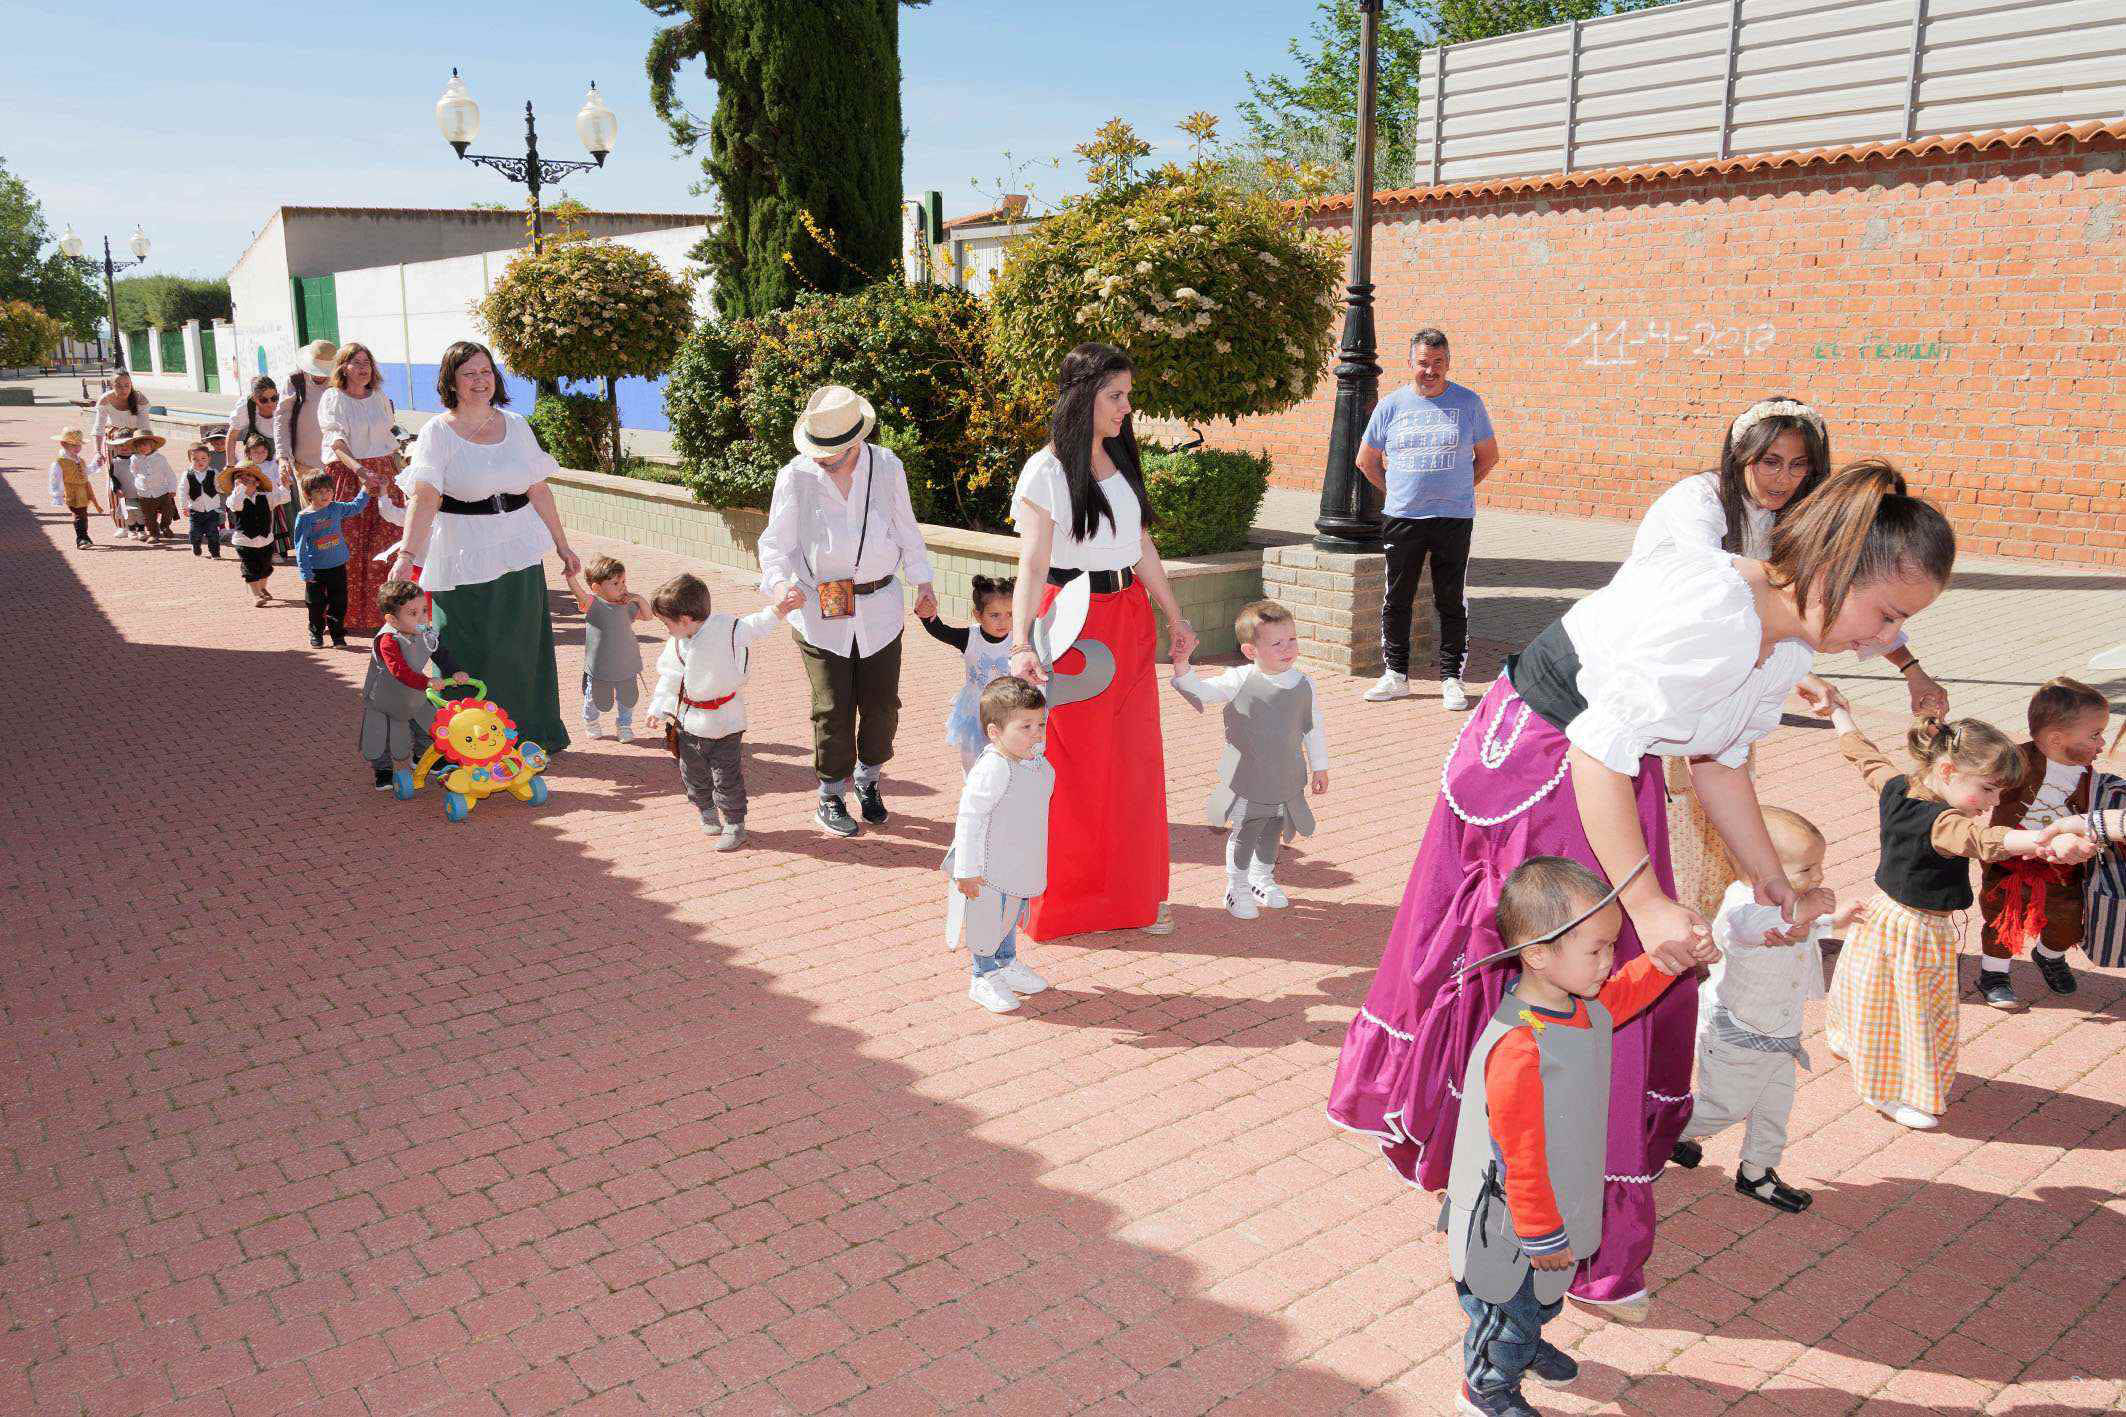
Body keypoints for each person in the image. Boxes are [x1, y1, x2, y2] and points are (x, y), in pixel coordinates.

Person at [1330, 460, 1951, 1320]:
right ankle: (1535, 1219)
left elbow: (1718, 761)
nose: (1886, 640)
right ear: (1838, 569)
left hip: (1602, 774)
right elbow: (1597, 750)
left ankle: (1547, 1210)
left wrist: (1772, 884)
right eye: (1888, 614)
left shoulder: (1783, 637)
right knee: (1575, 989)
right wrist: (1648, 901)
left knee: (1608, 993)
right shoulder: (1719, 619)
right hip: (1554, 769)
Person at [1440, 857, 1711, 1417]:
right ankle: (1486, 1388)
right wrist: (1539, 1233)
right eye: (1597, 950)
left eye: (1612, 946)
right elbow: (1517, 1156)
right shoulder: (1519, 1047)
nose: (1610, 961)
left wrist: (1670, 959)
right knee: (1501, 1307)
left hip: (1553, 1207)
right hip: (1508, 1220)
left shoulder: (1576, 1009)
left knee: (1538, 1302)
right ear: (1539, 954)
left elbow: (1624, 997)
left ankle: (1527, 1342)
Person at [1820, 692, 2097, 1129]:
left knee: (1875, 995)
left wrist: (1839, 712)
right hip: (1916, 929)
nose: (1990, 802)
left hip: (1883, 916)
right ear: (1947, 770)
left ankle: (1857, 1045)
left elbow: (1865, 758)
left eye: (1997, 792)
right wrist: (2048, 840)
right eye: (1986, 789)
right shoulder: (1945, 821)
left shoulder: (1896, 786)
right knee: (1914, 1010)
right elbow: (1987, 840)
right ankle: (1891, 1090)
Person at [1007, 344, 1198, 939]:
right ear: (1083, 396)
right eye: (1115, 396)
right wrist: (1020, 644)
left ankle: (1133, 900)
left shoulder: (1121, 458)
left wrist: (1175, 615)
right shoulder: (1045, 471)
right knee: (1078, 768)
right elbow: (1033, 565)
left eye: (1128, 396)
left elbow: (1141, 548)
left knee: (1134, 764)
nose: (1125, 408)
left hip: (1130, 620)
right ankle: (1068, 905)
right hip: (1075, 626)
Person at [757, 385, 939, 837]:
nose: (822, 460)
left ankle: (869, 779)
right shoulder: (795, 475)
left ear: (856, 441)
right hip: (819, 607)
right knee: (833, 707)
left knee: (881, 707)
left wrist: (924, 583)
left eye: (832, 453)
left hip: (879, 607)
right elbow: (775, 544)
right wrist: (779, 586)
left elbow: (906, 527)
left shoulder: (887, 467)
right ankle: (830, 795)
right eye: (817, 451)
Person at [389, 340, 579, 756]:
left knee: (522, 648)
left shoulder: (516, 424)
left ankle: (531, 735)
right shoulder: (438, 432)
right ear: (451, 382)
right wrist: (406, 556)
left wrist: (563, 547)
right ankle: (469, 742)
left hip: (518, 551)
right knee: (467, 650)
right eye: (469, 374)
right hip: (462, 553)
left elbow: (539, 489)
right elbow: (424, 498)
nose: (480, 381)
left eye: (486, 372)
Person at [1668, 807, 1861, 1212]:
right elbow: (1752, 929)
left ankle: (1757, 1172)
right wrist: (1803, 910)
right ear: (1762, 869)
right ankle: (1662, 1133)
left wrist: (1832, 921)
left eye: (1820, 866)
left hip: (1780, 1030)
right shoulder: (1742, 906)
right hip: (1739, 1032)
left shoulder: (1788, 907)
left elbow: (1800, 932)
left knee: (1773, 1107)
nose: (1819, 877)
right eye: (1807, 868)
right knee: (1727, 1106)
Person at [1357, 329, 1499, 712]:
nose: (1430, 371)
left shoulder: (1469, 403)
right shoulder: (1391, 405)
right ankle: (1396, 676)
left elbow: (1487, 456)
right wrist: (1398, 491)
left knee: (1450, 598)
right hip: (1403, 518)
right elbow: (1366, 461)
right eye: (1423, 363)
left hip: (1453, 518)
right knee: (1396, 597)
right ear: (1411, 364)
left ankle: (1452, 679)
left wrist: (1458, 488)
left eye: (1438, 363)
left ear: (1448, 363)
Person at [1171, 600, 1329, 921]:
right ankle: (1236, 887)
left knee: (1273, 828)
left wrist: (1320, 766)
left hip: (1286, 777)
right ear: (1250, 650)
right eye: (1276, 643)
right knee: (1247, 830)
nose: (1287, 649)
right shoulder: (1238, 679)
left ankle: (1261, 878)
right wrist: (1183, 664)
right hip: (1248, 778)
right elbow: (1199, 691)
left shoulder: (1304, 684)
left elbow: (1312, 728)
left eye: (1292, 640)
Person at [1975, 676, 2115, 1007]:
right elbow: (1976, 771)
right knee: (2003, 917)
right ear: (2055, 739)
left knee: (2068, 920)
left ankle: (2049, 955)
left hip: (2062, 864)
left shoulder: (2093, 777)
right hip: (2011, 859)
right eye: (2094, 735)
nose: (2102, 742)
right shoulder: (2017, 761)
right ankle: (1993, 973)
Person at [643, 573, 796, 852]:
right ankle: (706, 811)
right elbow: (669, 677)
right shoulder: (677, 643)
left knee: (727, 777)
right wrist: (657, 707)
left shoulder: (729, 628)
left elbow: (757, 624)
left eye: (666, 623)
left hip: (726, 720)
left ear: (685, 619)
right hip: (689, 723)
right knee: (693, 774)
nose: (665, 628)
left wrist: (781, 608)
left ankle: (735, 824)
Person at [947, 676, 1057, 1014]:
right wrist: (967, 870)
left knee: (1011, 914)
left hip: (1018, 858)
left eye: (1040, 724)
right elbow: (970, 817)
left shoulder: (1029, 759)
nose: (1037, 733)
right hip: (987, 869)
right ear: (995, 732)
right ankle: (983, 974)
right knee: (988, 919)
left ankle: (1006, 961)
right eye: (1025, 727)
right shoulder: (994, 767)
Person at [317, 342, 403, 633]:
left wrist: (399, 472)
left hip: (383, 475)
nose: (364, 368)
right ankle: (342, 615)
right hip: (348, 473)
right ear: (343, 367)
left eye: (367, 362)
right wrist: (361, 471)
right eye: (356, 362)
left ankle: (385, 614)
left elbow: (389, 440)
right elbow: (337, 442)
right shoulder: (333, 398)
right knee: (347, 546)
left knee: (387, 542)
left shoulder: (379, 396)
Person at [362, 579, 467, 794]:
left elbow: (440, 653)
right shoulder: (388, 640)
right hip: (385, 695)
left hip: (413, 690)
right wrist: (427, 681)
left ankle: (423, 756)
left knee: (427, 723)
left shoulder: (426, 632)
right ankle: (382, 770)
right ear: (393, 619)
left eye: (424, 610)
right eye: (413, 613)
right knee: (382, 733)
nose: (422, 617)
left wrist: (455, 670)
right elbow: (398, 670)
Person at [918, 574, 1018, 774]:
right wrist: (926, 615)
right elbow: (941, 631)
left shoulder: (1018, 638)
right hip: (975, 712)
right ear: (978, 614)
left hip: (1009, 711)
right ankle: (973, 792)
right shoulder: (970, 638)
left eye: (1010, 613)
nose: (1003, 621)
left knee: (1008, 759)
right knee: (973, 761)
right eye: (994, 615)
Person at [567, 555, 652, 742]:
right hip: (599, 667)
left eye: (623, 581)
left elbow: (648, 616)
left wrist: (637, 598)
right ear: (597, 588)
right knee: (595, 698)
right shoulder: (593, 604)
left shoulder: (627, 605)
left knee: (627, 698)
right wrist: (570, 576)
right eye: (615, 583)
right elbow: (579, 593)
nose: (622, 586)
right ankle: (591, 721)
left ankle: (624, 725)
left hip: (626, 664)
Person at [274, 341, 337, 561]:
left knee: (337, 518)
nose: (320, 376)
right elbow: (281, 419)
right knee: (314, 516)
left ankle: (335, 564)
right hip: (305, 465)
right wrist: (283, 457)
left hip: (337, 463)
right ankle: (316, 562)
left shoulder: (341, 381)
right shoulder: (295, 381)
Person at [294, 471, 369, 648]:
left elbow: (355, 507)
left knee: (339, 602)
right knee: (316, 605)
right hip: (315, 570)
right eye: (319, 491)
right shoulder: (305, 517)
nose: (325, 495)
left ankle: (337, 635)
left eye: (328, 490)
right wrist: (305, 571)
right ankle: (316, 633)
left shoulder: (335, 508)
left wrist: (365, 489)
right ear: (308, 494)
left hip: (337, 566)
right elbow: (300, 546)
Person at [226, 375, 289, 557]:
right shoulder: (246, 408)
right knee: (257, 505)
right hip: (257, 458)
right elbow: (232, 434)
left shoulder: (284, 403)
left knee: (284, 502)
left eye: (273, 398)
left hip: (280, 456)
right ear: (255, 399)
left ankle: (283, 546)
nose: (270, 403)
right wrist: (230, 463)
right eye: (264, 400)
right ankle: (257, 545)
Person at [91, 369, 153, 537]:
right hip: (114, 441)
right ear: (112, 386)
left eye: (127, 385)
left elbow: (145, 427)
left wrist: (148, 449)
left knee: (139, 482)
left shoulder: (140, 399)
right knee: (116, 482)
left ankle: (143, 523)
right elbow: (98, 427)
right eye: (118, 385)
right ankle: (122, 524)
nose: (123, 389)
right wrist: (98, 451)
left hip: (135, 441)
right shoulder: (106, 400)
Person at [219, 462, 277, 605]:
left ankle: (262, 588)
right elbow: (236, 505)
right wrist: (240, 489)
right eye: (239, 476)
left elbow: (283, 497)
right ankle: (256, 595)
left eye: (248, 476)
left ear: (257, 482)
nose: (243, 478)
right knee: (250, 569)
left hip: (265, 540)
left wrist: (286, 485)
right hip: (244, 541)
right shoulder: (234, 498)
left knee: (265, 567)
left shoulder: (265, 497)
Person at [48, 427, 102, 548]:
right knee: (79, 514)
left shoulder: (79, 460)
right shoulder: (59, 462)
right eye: (73, 445)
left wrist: (95, 464)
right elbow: (55, 479)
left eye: (79, 445)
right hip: (71, 492)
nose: (77, 448)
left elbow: (85, 471)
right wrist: (57, 495)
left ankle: (84, 537)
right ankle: (82, 538)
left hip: (83, 491)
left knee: (83, 514)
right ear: (64, 444)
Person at [123, 432, 180, 542]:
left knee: (168, 511)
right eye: (139, 446)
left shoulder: (160, 458)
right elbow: (133, 471)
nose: (142, 448)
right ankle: (153, 534)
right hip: (144, 493)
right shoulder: (134, 458)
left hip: (162, 491)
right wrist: (139, 482)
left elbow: (170, 474)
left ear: (152, 445)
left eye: (145, 445)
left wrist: (172, 489)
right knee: (149, 516)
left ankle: (165, 526)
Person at [179, 441, 224, 559]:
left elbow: (219, 486)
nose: (200, 462)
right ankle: (196, 545)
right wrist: (184, 506)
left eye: (203, 458)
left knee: (213, 532)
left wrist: (224, 487)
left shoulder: (213, 473)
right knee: (195, 533)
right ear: (190, 460)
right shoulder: (187, 475)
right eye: (195, 459)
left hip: (212, 509)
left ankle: (215, 552)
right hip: (195, 509)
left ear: (209, 458)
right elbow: (183, 491)